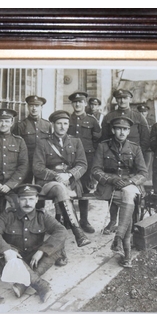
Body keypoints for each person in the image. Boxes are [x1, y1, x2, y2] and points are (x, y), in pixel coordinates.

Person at [0, 184, 67, 302]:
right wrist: (6, 251)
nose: (27, 203)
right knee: (3, 254)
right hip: (14, 258)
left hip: (34, 257)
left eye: (31, 199)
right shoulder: (8, 215)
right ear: (18, 200)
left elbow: (61, 231)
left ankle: (22, 284)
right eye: (23, 199)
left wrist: (41, 251)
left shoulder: (42, 216)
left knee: (56, 248)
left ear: (37, 199)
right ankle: (41, 285)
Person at [92, 117, 148, 268]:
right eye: (118, 128)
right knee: (128, 204)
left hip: (129, 186)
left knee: (128, 196)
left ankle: (119, 238)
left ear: (129, 131)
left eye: (125, 129)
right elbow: (95, 170)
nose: (122, 132)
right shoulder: (103, 146)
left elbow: (143, 173)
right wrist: (111, 179)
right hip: (110, 187)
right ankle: (125, 252)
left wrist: (130, 181)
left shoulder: (135, 148)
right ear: (113, 130)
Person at [33, 109, 91, 248]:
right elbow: (37, 167)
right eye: (59, 123)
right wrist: (56, 176)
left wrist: (69, 174)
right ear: (53, 124)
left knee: (62, 190)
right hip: (48, 183)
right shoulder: (43, 143)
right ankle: (78, 232)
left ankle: (62, 238)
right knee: (59, 187)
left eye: (65, 123)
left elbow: (82, 164)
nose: (62, 126)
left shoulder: (76, 142)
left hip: (70, 183)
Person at [100, 88, 150, 232]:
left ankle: (133, 222)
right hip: (113, 159)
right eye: (119, 98)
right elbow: (105, 139)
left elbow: (145, 141)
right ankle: (112, 221)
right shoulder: (109, 117)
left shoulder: (139, 117)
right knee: (113, 189)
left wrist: (138, 160)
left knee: (131, 192)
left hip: (133, 161)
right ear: (116, 100)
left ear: (130, 99)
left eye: (125, 97)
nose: (122, 100)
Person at [68, 91, 101, 233]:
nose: (77, 104)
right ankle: (69, 220)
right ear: (72, 104)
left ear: (85, 103)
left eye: (80, 102)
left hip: (87, 159)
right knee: (68, 187)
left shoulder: (92, 120)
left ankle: (84, 220)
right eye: (75, 102)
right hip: (69, 158)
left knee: (85, 189)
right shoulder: (67, 119)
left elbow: (97, 141)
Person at [12, 95, 52, 184]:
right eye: (31, 105)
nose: (34, 108)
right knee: (26, 187)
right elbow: (15, 146)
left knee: (43, 187)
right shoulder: (20, 125)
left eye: (37, 106)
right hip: (27, 163)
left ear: (41, 107)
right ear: (28, 107)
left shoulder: (47, 125)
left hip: (42, 162)